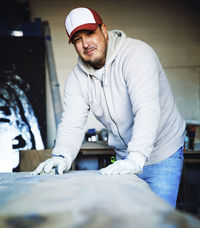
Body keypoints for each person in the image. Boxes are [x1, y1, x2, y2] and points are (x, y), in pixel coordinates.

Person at [33, 7, 186, 208]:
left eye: (89, 33)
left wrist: (137, 157)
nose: (85, 43)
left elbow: (146, 108)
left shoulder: (136, 55)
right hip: (124, 157)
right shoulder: (77, 79)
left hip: (162, 153)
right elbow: (72, 123)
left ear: (103, 30)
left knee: (158, 225)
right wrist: (62, 155)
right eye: (77, 39)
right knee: (128, 225)